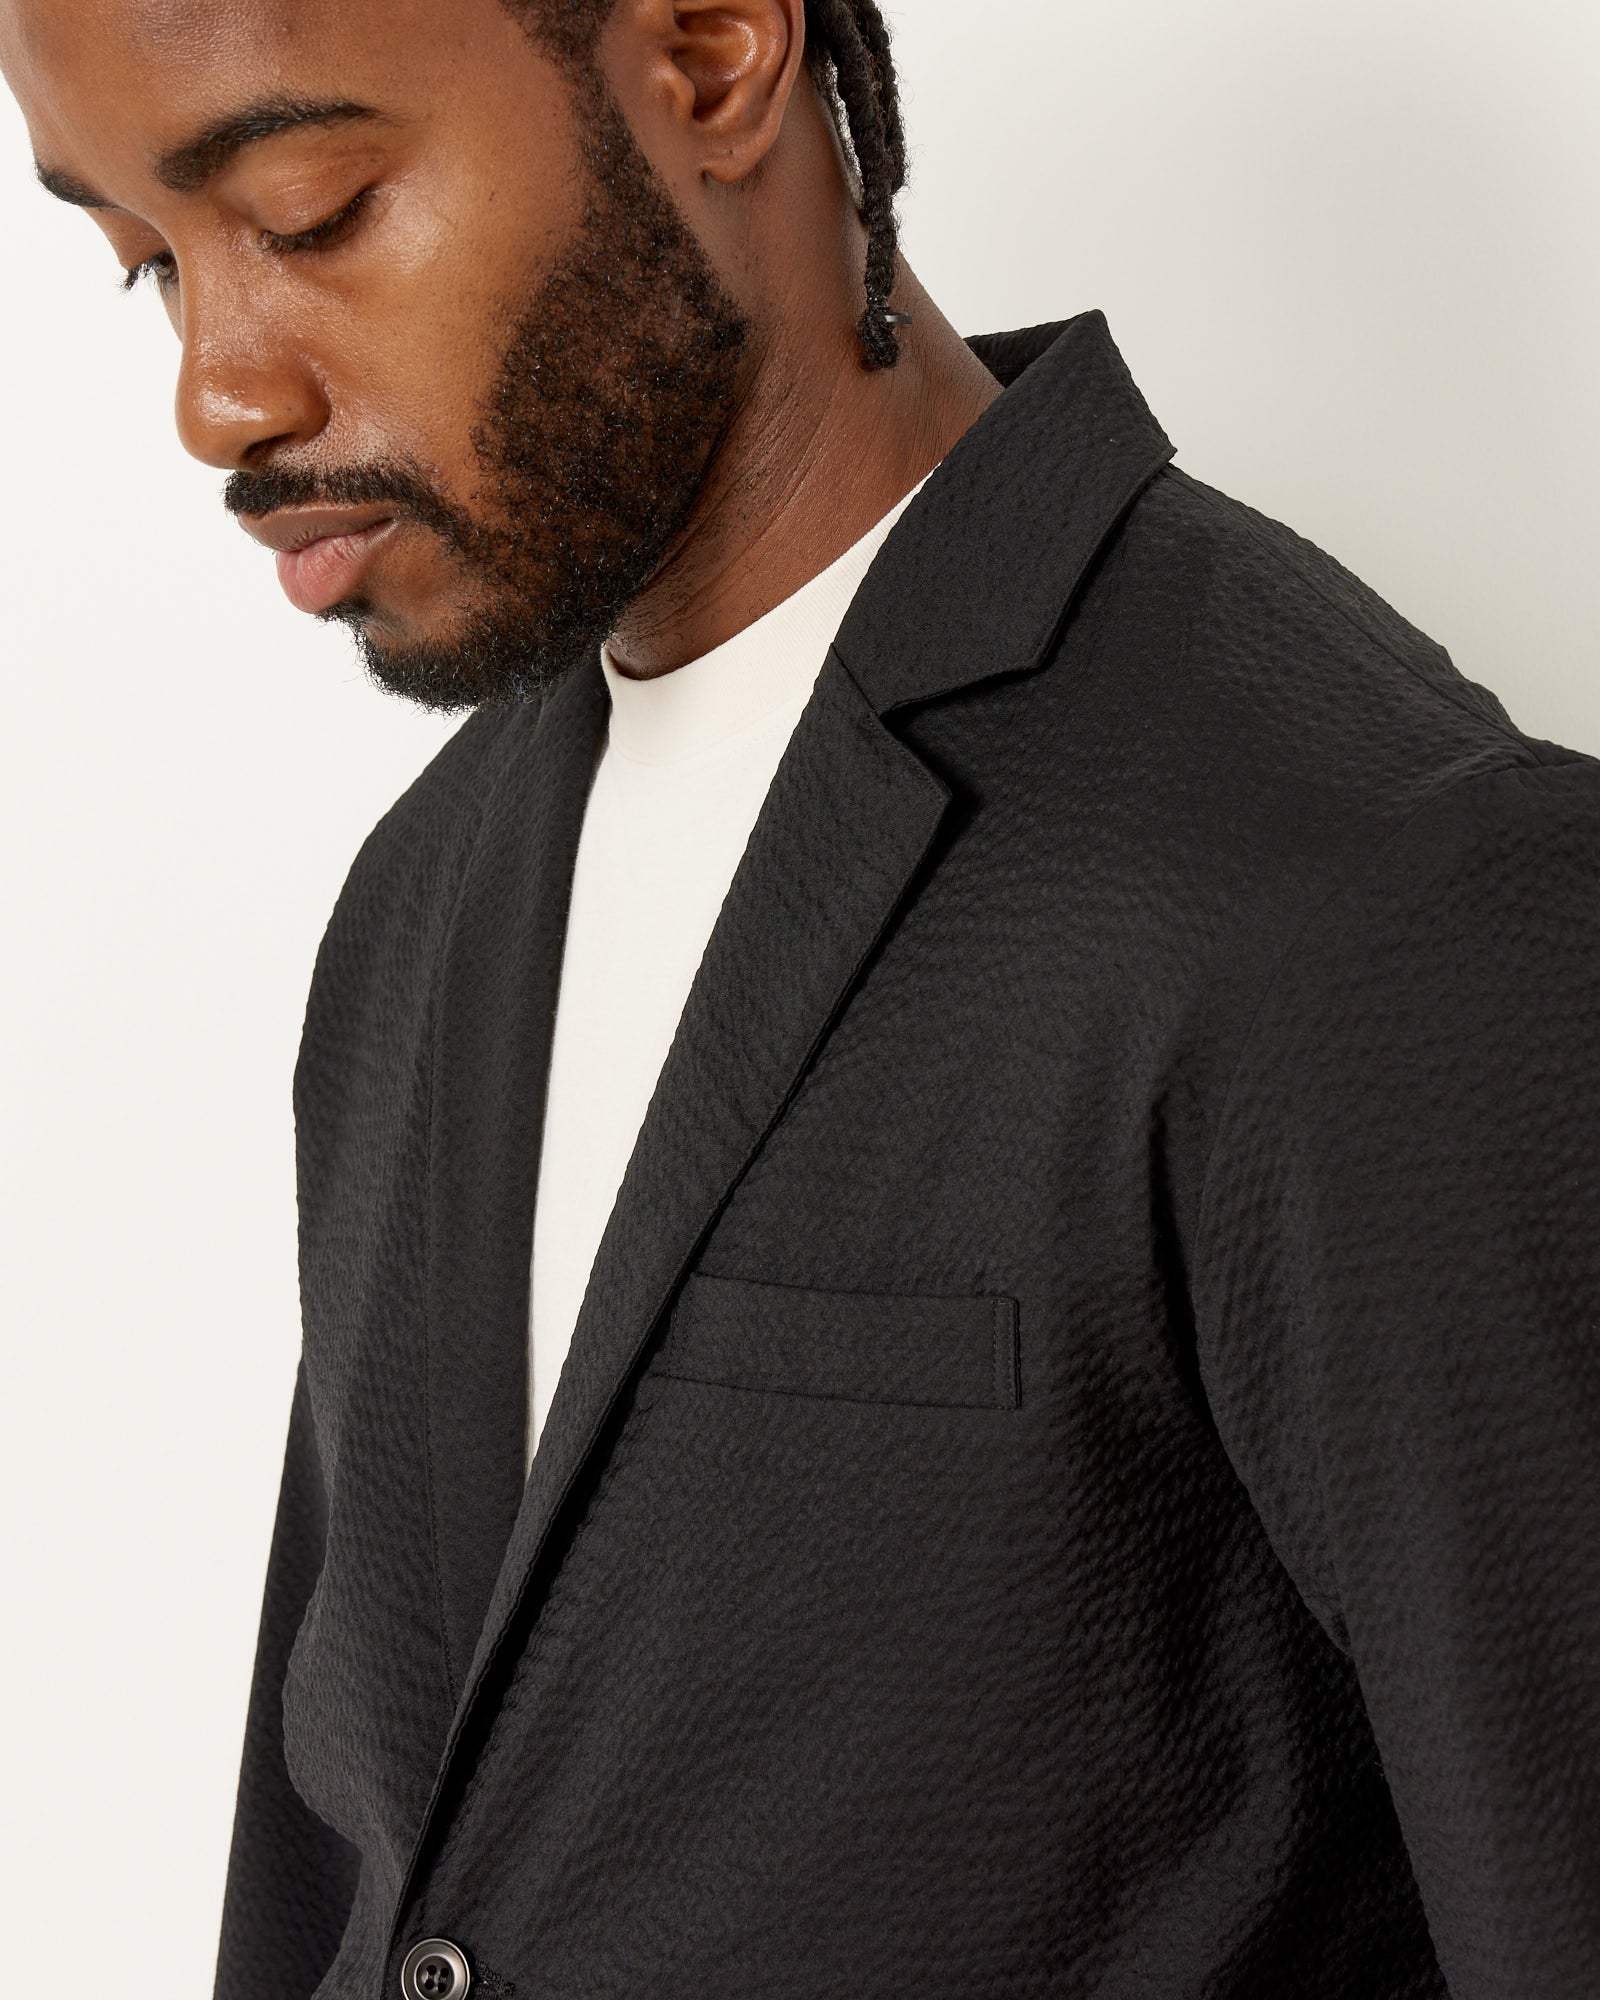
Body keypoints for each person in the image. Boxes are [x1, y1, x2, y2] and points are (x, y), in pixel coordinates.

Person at [5, 0, 1596, 1994]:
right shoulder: (420, 908)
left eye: (310, 212)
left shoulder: (1372, 890)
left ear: (706, 56)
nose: (215, 395)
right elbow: (353, 1870)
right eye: (146, 260)